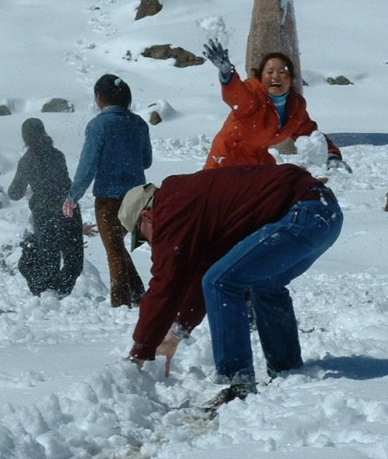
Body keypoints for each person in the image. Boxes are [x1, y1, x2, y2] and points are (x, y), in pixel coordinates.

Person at [119, 163, 343, 407]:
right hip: (324, 214)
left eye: (142, 236)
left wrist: (141, 349)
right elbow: (199, 276)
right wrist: (175, 334)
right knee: (263, 284)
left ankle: (238, 382)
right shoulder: (190, 205)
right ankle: (287, 372)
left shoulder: (171, 208)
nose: (150, 243)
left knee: (221, 283)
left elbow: (167, 283)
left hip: (302, 215)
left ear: (147, 216)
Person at [63, 74, 152, 308]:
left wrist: (73, 195)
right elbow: (147, 160)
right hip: (137, 197)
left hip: (108, 198)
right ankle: (139, 295)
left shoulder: (98, 125)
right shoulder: (140, 123)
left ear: (99, 97)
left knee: (113, 250)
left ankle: (121, 304)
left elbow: (87, 165)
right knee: (118, 246)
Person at [201, 39, 351, 173]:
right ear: (261, 77)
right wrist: (228, 75)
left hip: (258, 160)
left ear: (291, 79)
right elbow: (238, 96)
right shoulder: (254, 96)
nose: (275, 76)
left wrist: (331, 155)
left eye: (281, 72)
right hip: (226, 159)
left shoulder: (295, 106)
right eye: (270, 72)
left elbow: (310, 134)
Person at [7, 118, 86, 297]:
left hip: (45, 213)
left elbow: (15, 192)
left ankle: (48, 293)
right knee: (72, 257)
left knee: (48, 258)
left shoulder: (27, 160)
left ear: (24, 137)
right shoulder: (57, 154)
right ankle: (62, 290)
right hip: (67, 209)